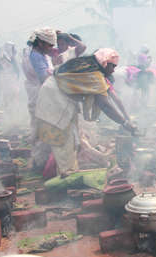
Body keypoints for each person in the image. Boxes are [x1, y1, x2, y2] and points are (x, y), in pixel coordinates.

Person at [35, 48, 137, 177]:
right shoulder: (95, 75)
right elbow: (105, 105)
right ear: (105, 62)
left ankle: (68, 173)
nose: (113, 70)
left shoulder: (86, 65)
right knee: (63, 142)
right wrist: (124, 122)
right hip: (55, 101)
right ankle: (67, 178)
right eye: (112, 66)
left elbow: (111, 99)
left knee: (71, 140)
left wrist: (125, 119)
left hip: (55, 96)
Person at [22, 27, 57, 171]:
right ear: (41, 43)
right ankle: (40, 164)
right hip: (40, 97)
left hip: (40, 96)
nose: (51, 48)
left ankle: (41, 162)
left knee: (41, 130)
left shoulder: (37, 54)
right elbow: (44, 78)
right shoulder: (36, 56)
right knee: (42, 131)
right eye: (49, 45)